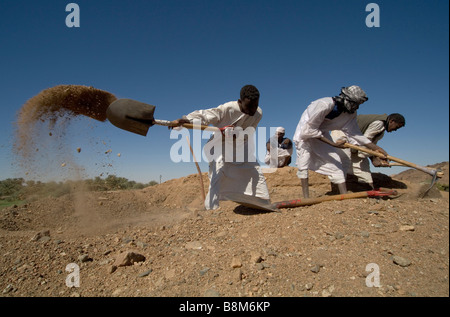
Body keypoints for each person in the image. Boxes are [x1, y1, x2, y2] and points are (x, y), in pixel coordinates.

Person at [170, 85, 271, 210]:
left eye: (255, 106)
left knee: (253, 169)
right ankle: (211, 208)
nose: (251, 110)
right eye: (248, 107)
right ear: (240, 102)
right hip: (220, 143)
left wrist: (237, 133)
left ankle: (263, 202)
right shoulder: (228, 109)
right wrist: (186, 120)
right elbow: (206, 115)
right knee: (218, 171)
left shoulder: (258, 114)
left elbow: (249, 133)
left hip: (240, 144)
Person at [292, 85, 388, 198]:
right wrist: (333, 144)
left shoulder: (350, 114)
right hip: (305, 133)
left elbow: (355, 133)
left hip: (322, 134)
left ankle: (344, 196)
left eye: (358, 105)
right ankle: (306, 198)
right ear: (347, 99)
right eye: (355, 104)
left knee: (336, 162)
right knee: (304, 161)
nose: (356, 107)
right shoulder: (324, 105)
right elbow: (308, 130)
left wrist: (375, 148)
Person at [331, 113, 405, 189]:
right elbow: (365, 141)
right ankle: (337, 191)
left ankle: (370, 192)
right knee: (343, 163)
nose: (395, 130)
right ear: (392, 121)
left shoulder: (381, 131)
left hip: (355, 143)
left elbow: (369, 148)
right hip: (342, 135)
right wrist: (377, 154)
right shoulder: (378, 123)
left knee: (364, 168)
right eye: (396, 127)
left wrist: (375, 159)